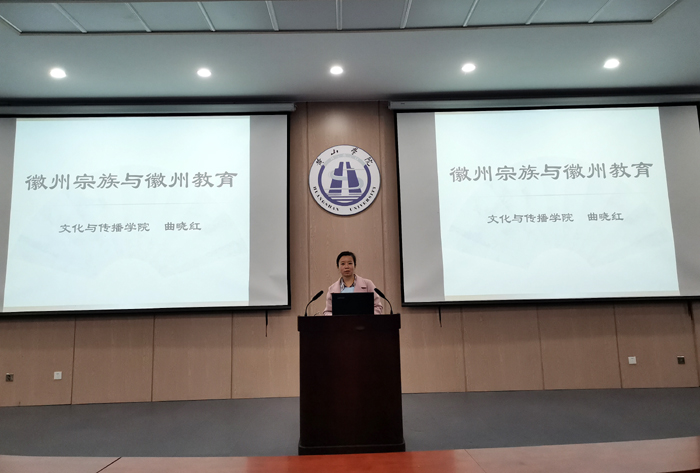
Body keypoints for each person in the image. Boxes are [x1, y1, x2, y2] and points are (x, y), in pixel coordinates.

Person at [323, 251, 383, 315]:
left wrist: (366, 318)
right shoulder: (332, 289)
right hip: (340, 321)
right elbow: (328, 312)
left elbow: (378, 307)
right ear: (338, 267)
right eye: (343, 264)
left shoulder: (368, 284)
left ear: (355, 265)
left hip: (364, 321)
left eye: (350, 263)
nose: (346, 267)